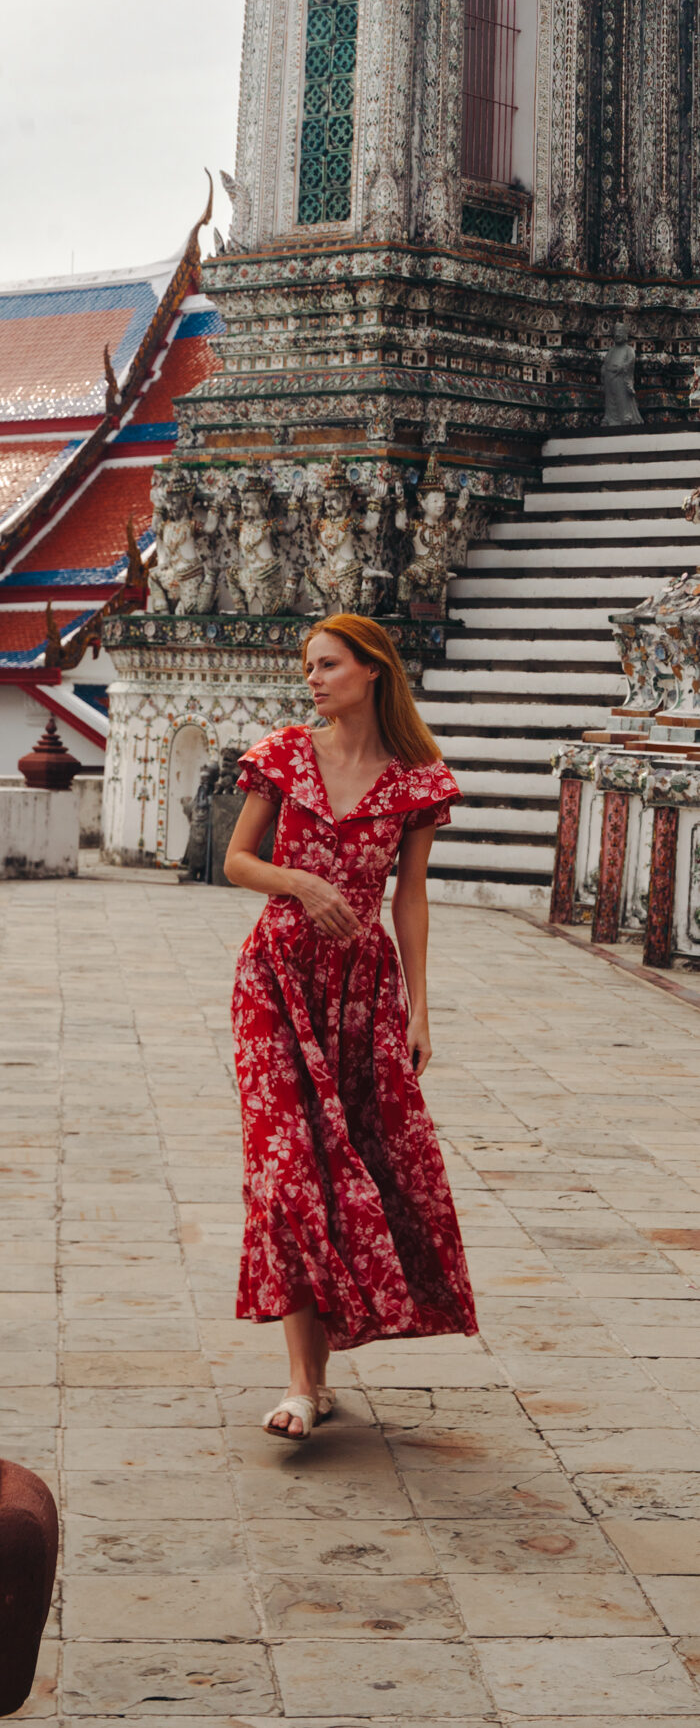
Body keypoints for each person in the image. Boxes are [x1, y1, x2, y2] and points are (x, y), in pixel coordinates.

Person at [224, 611, 478, 1441]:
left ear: (372, 670)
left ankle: (318, 1376)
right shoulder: (284, 754)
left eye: (328, 664)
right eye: (309, 667)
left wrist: (419, 1004)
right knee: (287, 1169)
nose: (314, 679)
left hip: (362, 994)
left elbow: (410, 896)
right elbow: (236, 862)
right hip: (275, 978)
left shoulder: (416, 779)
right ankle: (302, 1384)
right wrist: (300, 883)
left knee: (351, 1167)